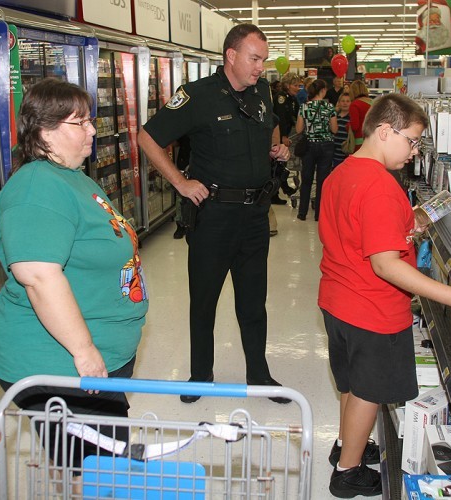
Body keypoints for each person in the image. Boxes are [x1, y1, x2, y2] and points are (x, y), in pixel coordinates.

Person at [318, 94, 451, 498]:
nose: (414, 153)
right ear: (384, 131)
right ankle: (348, 472)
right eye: (411, 141)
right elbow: (386, 266)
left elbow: (355, 230)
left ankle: (346, 445)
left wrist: (408, 223)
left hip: (338, 300)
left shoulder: (343, 172)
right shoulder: (380, 185)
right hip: (372, 308)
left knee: (353, 385)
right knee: (368, 391)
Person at [0, 78, 149, 472]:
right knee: (89, 469)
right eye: (81, 123)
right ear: (45, 131)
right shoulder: (37, 188)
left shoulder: (70, 176)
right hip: (58, 362)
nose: (93, 130)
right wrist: (85, 351)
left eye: (91, 120)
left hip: (91, 358)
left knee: (101, 461)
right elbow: (38, 276)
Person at [137, 24, 291, 404]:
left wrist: (277, 149)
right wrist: (180, 183)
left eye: (264, 60)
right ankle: (199, 375)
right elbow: (147, 138)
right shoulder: (197, 96)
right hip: (213, 216)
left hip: (255, 215)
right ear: (231, 56)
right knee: (204, 299)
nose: (260, 67)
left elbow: (267, 130)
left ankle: (259, 374)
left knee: (254, 301)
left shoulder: (262, 93)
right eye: (254, 59)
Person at [295, 79, 337, 222]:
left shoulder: (304, 107)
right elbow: (334, 129)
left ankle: (302, 212)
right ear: (323, 90)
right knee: (322, 181)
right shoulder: (329, 107)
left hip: (309, 146)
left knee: (306, 179)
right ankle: (319, 213)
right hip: (326, 146)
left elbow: (299, 129)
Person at [272, 71, 300, 205]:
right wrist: (282, 136)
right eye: (295, 85)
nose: (298, 88)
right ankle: (275, 193)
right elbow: (280, 118)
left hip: (286, 134)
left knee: (280, 165)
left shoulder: (292, 99)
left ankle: (283, 189)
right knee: (277, 166)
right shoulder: (281, 98)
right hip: (278, 136)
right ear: (287, 85)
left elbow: (294, 116)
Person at [173, 135, 191, 239]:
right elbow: (175, 143)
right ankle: (180, 224)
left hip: (200, 164)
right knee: (181, 197)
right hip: (184, 163)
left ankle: (187, 224)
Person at [348, 80, 373, 152]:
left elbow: (355, 126)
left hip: (360, 141)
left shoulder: (355, 104)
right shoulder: (374, 102)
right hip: (373, 140)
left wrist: (347, 126)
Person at [332, 92, 351, 168]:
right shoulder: (334, 116)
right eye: (342, 101)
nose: (345, 103)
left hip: (346, 152)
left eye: (347, 101)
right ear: (339, 103)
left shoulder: (351, 117)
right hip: (335, 152)